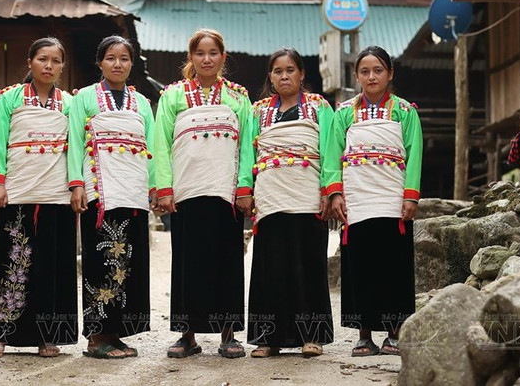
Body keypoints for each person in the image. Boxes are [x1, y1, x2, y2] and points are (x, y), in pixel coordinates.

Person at [153, 28, 254, 359]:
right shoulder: (173, 96)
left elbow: (247, 146)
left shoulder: (239, 98)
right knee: (187, 263)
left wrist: (244, 187)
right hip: (186, 191)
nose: (206, 59)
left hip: (225, 192)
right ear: (191, 58)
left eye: (213, 53)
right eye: (200, 53)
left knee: (227, 261)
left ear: (223, 57)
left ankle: (228, 334)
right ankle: (187, 335)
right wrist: (164, 187)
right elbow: (161, 144)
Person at [323, 46, 423, 357]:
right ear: (356, 76)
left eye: (378, 70)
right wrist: (335, 192)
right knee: (359, 265)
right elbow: (331, 155)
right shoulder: (343, 114)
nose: (371, 76)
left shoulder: (405, 112)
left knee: (394, 263)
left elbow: (414, 152)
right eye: (364, 71)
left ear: (390, 73)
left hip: (392, 198)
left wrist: (410, 195)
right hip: (357, 199)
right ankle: (364, 334)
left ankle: (394, 332)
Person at [0, 37, 77, 358]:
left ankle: (48, 336)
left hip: (57, 194)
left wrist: (78, 186)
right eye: (42, 59)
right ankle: (1, 335)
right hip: (19, 191)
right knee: (14, 263)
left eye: (55, 61)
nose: (48, 66)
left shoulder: (70, 104)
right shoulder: (9, 99)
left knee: (51, 266)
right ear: (30, 62)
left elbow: (77, 148)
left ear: (62, 66)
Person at [67, 35, 156, 359]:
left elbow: (153, 148)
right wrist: (77, 184)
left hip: (133, 191)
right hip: (99, 193)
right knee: (100, 261)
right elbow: (76, 142)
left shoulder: (142, 103)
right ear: (100, 62)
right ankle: (97, 338)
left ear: (131, 64)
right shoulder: (85, 98)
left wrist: (156, 187)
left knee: (129, 263)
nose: (117, 64)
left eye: (124, 59)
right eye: (111, 58)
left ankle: (116, 334)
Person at [245, 48, 335, 358]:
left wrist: (330, 191)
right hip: (270, 196)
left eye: (290, 70)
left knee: (307, 263)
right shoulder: (257, 112)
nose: (284, 76)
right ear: (270, 76)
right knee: (271, 266)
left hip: (307, 194)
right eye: (278, 71)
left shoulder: (320, 108)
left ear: (302, 74)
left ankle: (313, 337)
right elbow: (248, 155)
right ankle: (267, 338)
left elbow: (330, 150)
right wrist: (246, 187)